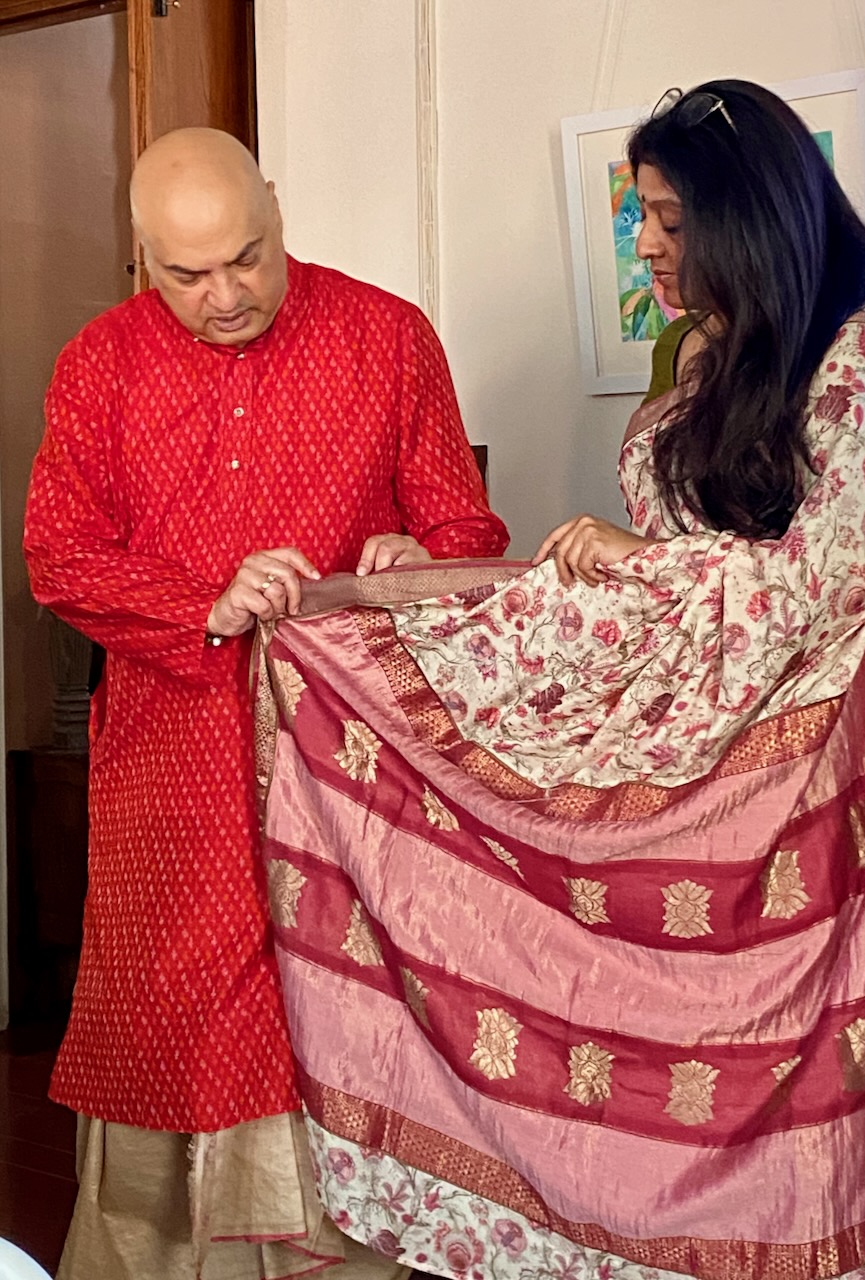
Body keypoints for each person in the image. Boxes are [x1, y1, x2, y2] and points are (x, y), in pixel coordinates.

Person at [252, 82, 865, 1280]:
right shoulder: (698, 353)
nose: (649, 247)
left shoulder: (852, 364)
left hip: (787, 807)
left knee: (782, 1114)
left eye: (671, 220)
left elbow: (815, 590)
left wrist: (631, 560)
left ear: (748, 219)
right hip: (668, 774)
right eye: (642, 218)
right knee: (614, 1068)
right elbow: (635, 598)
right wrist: (411, 596)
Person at [22, 127, 508, 1280]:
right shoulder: (99, 364)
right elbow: (60, 554)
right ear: (142, 255)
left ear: (278, 211)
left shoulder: (386, 336)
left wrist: (418, 557)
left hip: (346, 772)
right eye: (187, 274)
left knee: (338, 1012)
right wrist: (205, 600)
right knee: (173, 1024)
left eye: (246, 256)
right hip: (171, 767)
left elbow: (467, 531)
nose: (225, 293)